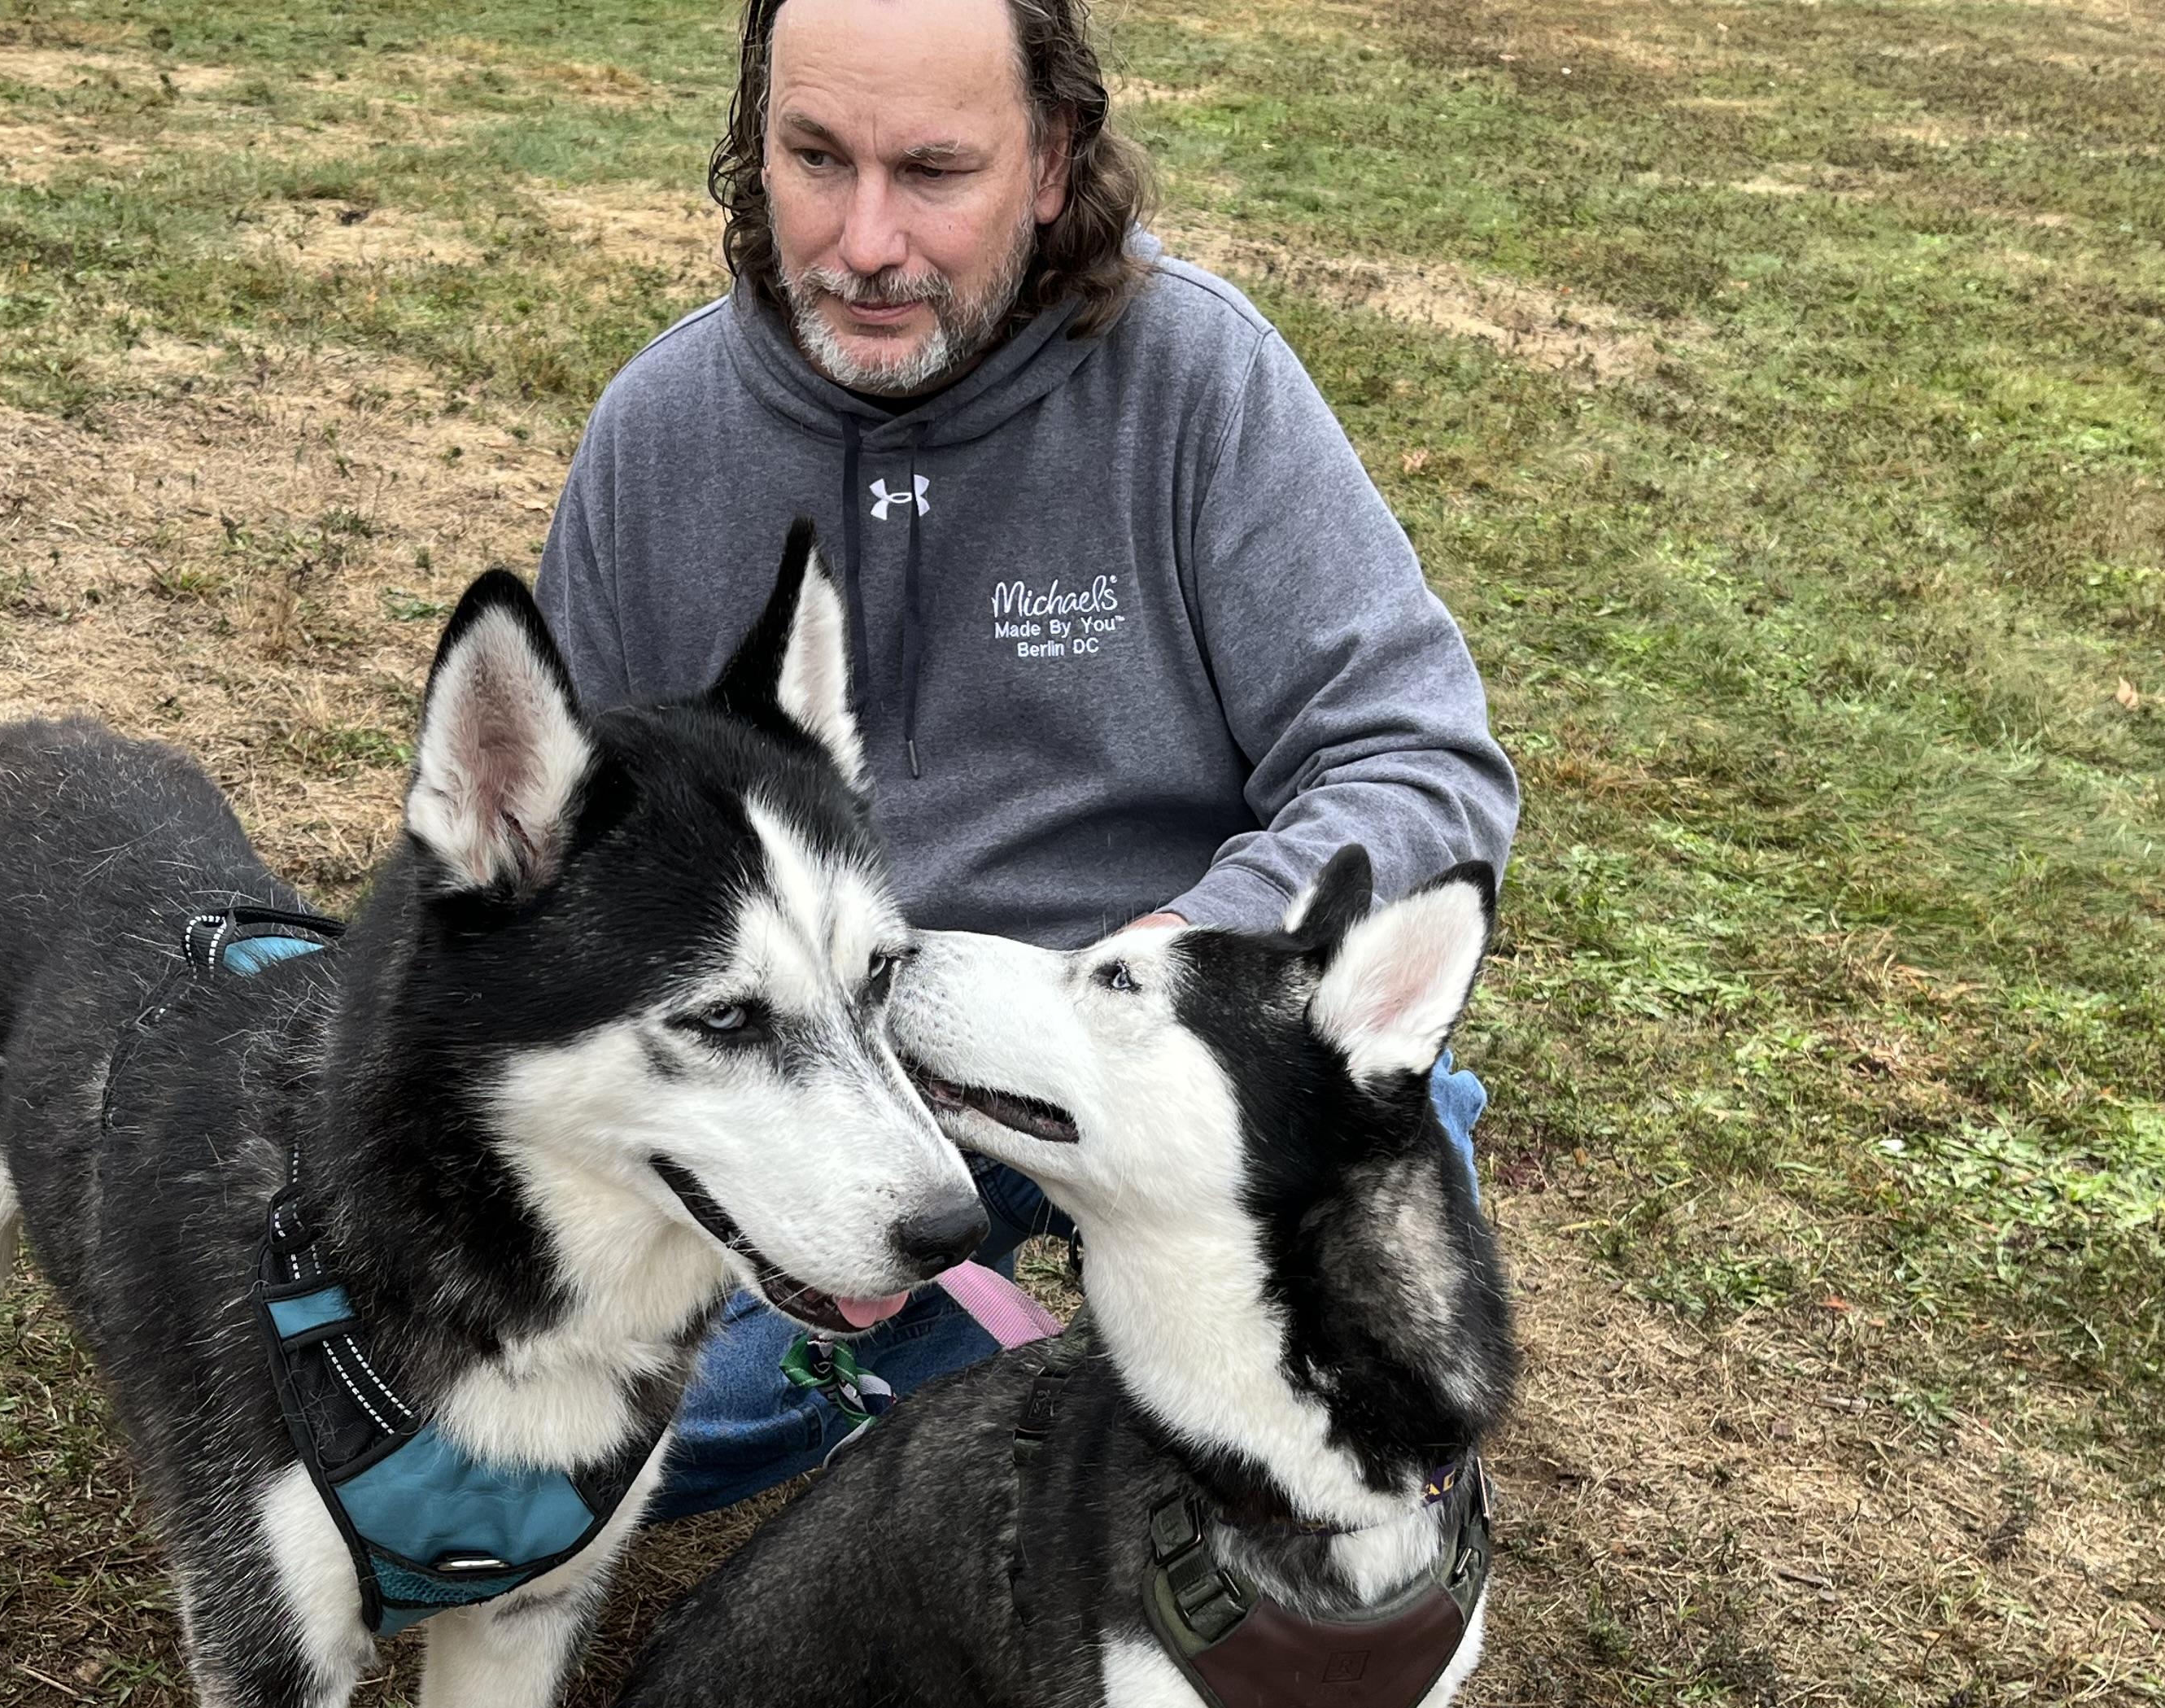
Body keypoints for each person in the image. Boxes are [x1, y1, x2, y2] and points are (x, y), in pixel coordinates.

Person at [536, 0, 1519, 1518]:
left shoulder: (1202, 386)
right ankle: (1017, 1377)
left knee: (1369, 1214)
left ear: (1054, 162)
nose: (864, 243)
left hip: (1141, 1062)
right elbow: (555, 870)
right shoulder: (660, 435)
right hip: (822, 1081)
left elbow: (1418, 760)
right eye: (815, 158)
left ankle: (1242, 1501)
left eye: (934, 170)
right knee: (607, 1445)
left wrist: (1163, 979)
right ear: (755, 140)